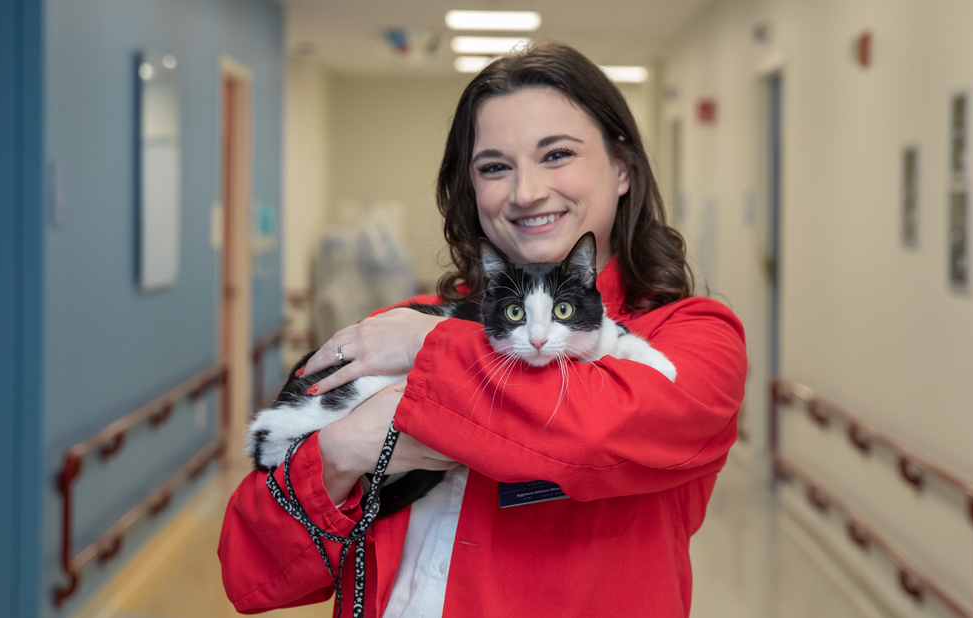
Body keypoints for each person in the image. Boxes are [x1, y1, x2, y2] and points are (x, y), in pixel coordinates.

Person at [219, 41, 747, 618]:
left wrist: (430, 346)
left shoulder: (695, 338)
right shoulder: (398, 324)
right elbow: (251, 570)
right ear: (472, 191)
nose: (525, 192)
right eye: (494, 167)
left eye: (557, 155)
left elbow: (592, 435)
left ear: (622, 168)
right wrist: (345, 451)